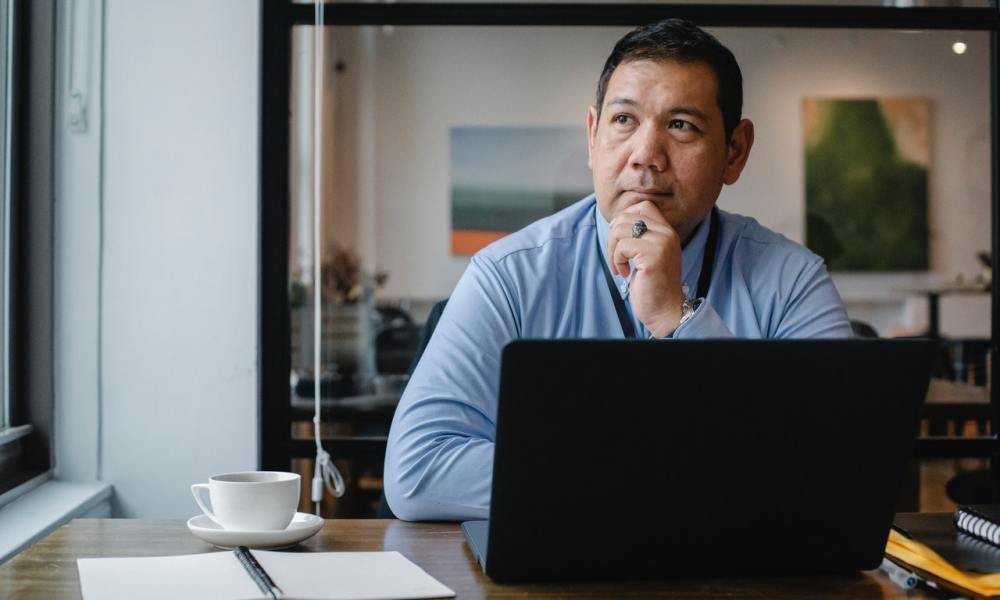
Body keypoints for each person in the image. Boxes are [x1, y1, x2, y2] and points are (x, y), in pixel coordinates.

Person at [384, 18, 853, 521]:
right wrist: (650, 471)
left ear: (734, 152)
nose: (646, 156)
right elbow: (418, 470)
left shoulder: (791, 281)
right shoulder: (509, 275)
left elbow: (843, 470)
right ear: (593, 135)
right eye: (624, 121)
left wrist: (679, 317)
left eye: (681, 126)